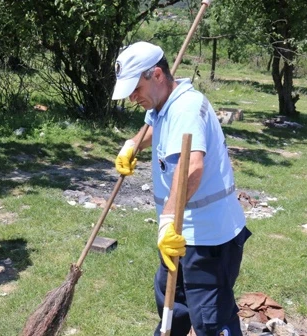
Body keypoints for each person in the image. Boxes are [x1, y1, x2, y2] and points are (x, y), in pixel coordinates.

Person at [112, 41, 252, 336]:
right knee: (172, 303)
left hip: (208, 237)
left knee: (211, 320)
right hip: (181, 233)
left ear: (157, 75)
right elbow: (152, 125)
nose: (132, 97)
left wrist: (165, 222)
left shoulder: (185, 108)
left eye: (135, 88)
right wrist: (132, 145)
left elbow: (192, 167)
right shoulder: (163, 104)